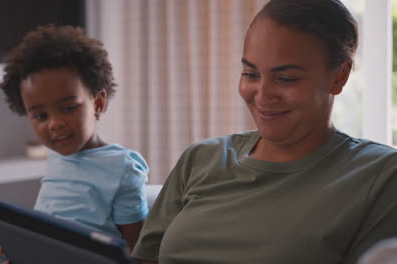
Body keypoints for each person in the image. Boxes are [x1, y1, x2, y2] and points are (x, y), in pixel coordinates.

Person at [132, 0, 397, 263]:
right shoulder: (201, 158)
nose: (262, 95)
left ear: (339, 76)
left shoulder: (380, 175)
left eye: (286, 79)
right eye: (250, 74)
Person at [0, 25, 149, 264]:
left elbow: (137, 248)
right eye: (41, 116)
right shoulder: (58, 156)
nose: (55, 124)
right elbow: (49, 221)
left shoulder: (122, 167)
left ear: (98, 103)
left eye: (68, 108)